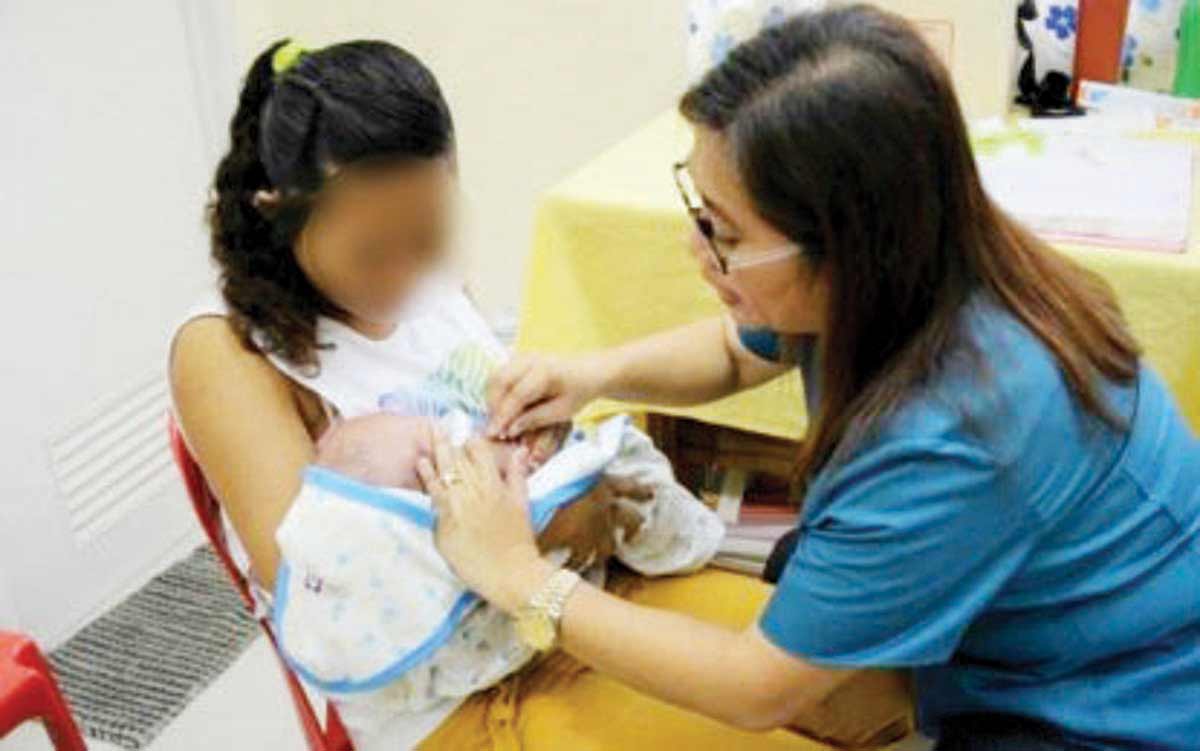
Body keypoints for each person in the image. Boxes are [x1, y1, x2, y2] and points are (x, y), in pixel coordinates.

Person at [420, 5, 1200, 750]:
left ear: (845, 245)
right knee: (800, 576)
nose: (698, 253)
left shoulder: (963, 425)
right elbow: (737, 350)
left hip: (1120, 703)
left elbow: (754, 687)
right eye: (698, 211)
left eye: (722, 233)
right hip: (1038, 616)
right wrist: (593, 372)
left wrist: (522, 580)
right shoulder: (921, 263)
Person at [170, 35, 904, 751]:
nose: (403, 275)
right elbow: (324, 592)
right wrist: (552, 526)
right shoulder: (227, 350)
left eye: (427, 238)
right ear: (276, 212)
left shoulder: (428, 287)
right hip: (463, 691)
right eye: (368, 253)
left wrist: (564, 452)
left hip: (583, 590)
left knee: (874, 683)